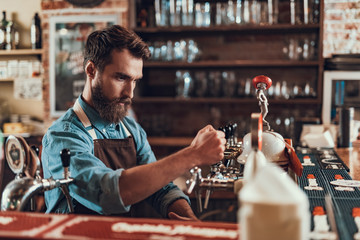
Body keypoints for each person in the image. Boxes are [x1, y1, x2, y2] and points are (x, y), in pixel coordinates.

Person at [41, 25, 226, 220]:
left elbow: (161, 189)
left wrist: (191, 220)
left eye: (135, 81)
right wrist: (193, 155)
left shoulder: (131, 130)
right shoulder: (63, 136)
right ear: (91, 70)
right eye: (121, 78)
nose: (130, 93)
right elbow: (108, 193)